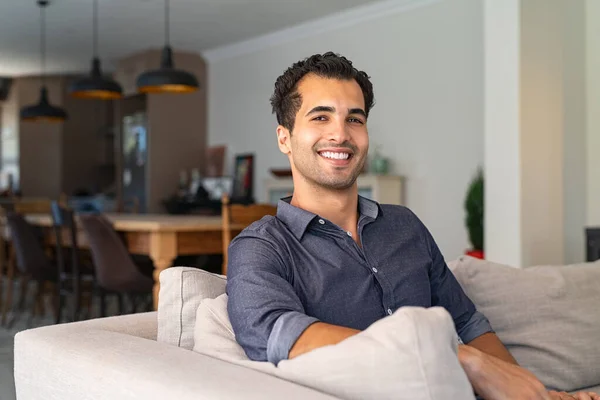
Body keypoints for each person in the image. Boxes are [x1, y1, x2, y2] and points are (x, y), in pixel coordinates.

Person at [225, 52, 598, 400]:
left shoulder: (403, 225)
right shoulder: (262, 245)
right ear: (285, 138)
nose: (340, 134)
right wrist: (460, 358)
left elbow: (466, 321)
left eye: (354, 118)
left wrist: (536, 394)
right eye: (320, 116)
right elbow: (275, 334)